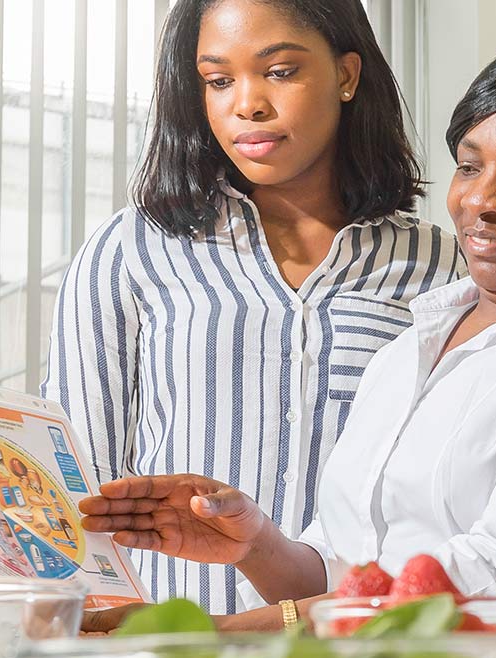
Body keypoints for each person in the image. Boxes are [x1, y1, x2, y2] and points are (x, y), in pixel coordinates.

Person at [78, 30, 496, 658]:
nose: (479, 201)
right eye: (468, 166)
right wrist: (253, 542)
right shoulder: (414, 344)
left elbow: (488, 579)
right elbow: (348, 573)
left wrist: (220, 638)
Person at [44, 0, 458, 614]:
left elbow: (445, 494)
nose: (247, 104)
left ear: (347, 75)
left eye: (281, 71)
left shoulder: (442, 269)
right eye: (218, 80)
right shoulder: (130, 249)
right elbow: (73, 481)